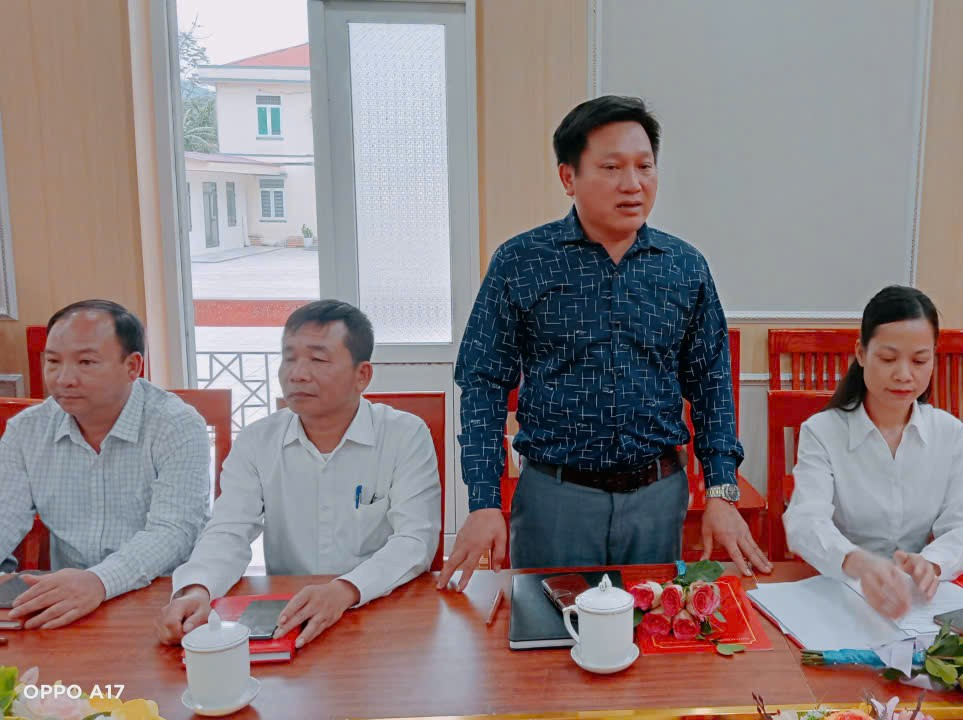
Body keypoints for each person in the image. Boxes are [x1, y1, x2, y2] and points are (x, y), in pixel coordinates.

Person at [446, 95, 769, 588]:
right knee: (548, 628)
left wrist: (721, 491)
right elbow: (483, 383)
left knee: (650, 625)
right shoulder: (523, 262)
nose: (633, 184)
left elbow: (712, 385)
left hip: (657, 498)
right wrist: (484, 501)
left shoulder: (685, 267)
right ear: (568, 177)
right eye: (612, 167)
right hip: (555, 498)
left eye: (645, 166)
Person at [156, 300, 441, 648]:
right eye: (289, 358)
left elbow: (415, 540)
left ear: (362, 375)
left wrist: (345, 589)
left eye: (318, 360)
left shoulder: (405, 435)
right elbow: (228, 531)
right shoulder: (257, 441)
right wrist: (197, 589)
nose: (297, 374)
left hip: (382, 611)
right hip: (289, 617)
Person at [0, 299, 209, 629]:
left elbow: (173, 531)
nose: (64, 379)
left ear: (133, 366)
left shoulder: (176, 425)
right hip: (67, 604)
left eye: (85, 362)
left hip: (166, 599)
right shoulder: (27, 430)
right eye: (52, 361)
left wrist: (99, 581)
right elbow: (4, 516)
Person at [783, 286, 963, 618]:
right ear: (861, 353)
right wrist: (858, 562)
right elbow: (805, 522)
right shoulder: (822, 432)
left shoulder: (949, 434)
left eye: (919, 360)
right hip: (843, 594)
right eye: (888, 359)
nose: (904, 375)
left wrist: (933, 563)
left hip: (917, 602)